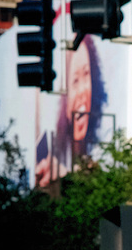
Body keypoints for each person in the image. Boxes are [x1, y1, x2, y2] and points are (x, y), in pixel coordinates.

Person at [34, 36, 106, 187]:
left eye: (86, 74)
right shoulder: (53, 155)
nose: (82, 91)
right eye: (75, 80)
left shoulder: (105, 148)